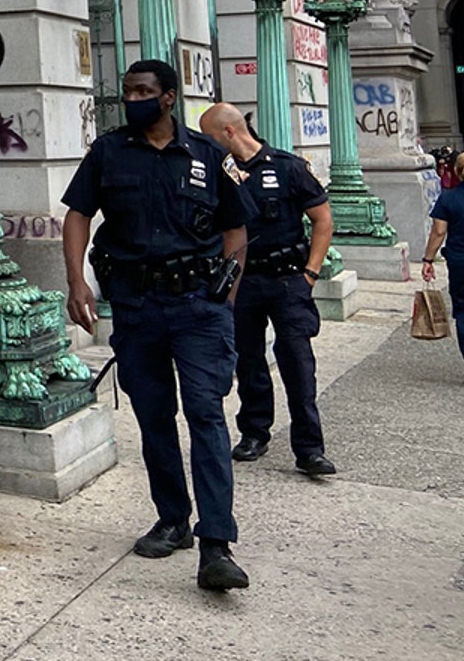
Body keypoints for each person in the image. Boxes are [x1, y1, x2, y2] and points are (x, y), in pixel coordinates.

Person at [62, 60, 256, 592]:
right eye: (128, 91)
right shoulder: (108, 152)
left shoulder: (208, 155)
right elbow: (78, 215)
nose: (133, 99)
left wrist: (225, 297)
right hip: (136, 305)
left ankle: (216, 543)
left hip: (197, 307)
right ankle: (173, 520)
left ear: (169, 97)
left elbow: (236, 229)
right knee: (153, 417)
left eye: (143, 91)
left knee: (205, 414)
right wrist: (77, 281)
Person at [199, 104, 337, 476]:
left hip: (288, 279)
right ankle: (254, 433)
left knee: (297, 363)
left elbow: (323, 220)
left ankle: (309, 448)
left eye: (209, 137)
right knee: (248, 361)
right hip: (243, 281)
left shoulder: (288, 167)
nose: (206, 145)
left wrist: (310, 274)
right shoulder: (220, 173)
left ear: (229, 132)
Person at [420, 150, 464, 382]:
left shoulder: (448, 198)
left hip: (462, 261)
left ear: (456, 171)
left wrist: (428, 259)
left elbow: (439, 232)